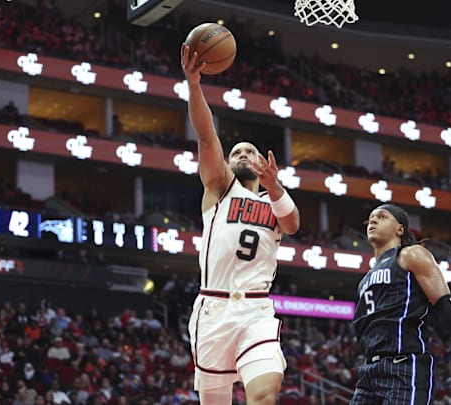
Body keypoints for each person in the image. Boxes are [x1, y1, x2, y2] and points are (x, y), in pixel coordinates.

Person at [180, 43, 300, 405]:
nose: (243, 155)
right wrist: (194, 86)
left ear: (264, 161)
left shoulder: (273, 200)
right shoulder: (219, 188)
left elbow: (292, 225)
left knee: (263, 395)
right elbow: (206, 136)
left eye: (250, 151)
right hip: (214, 309)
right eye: (237, 153)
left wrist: (275, 186)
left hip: (256, 309)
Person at [351, 204, 451, 404]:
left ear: (400, 229)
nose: (372, 221)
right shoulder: (365, 279)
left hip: (404, 366)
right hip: (369, 371)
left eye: (382, 217)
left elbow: (444, 303)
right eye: (370, 219)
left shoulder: (410, 255)